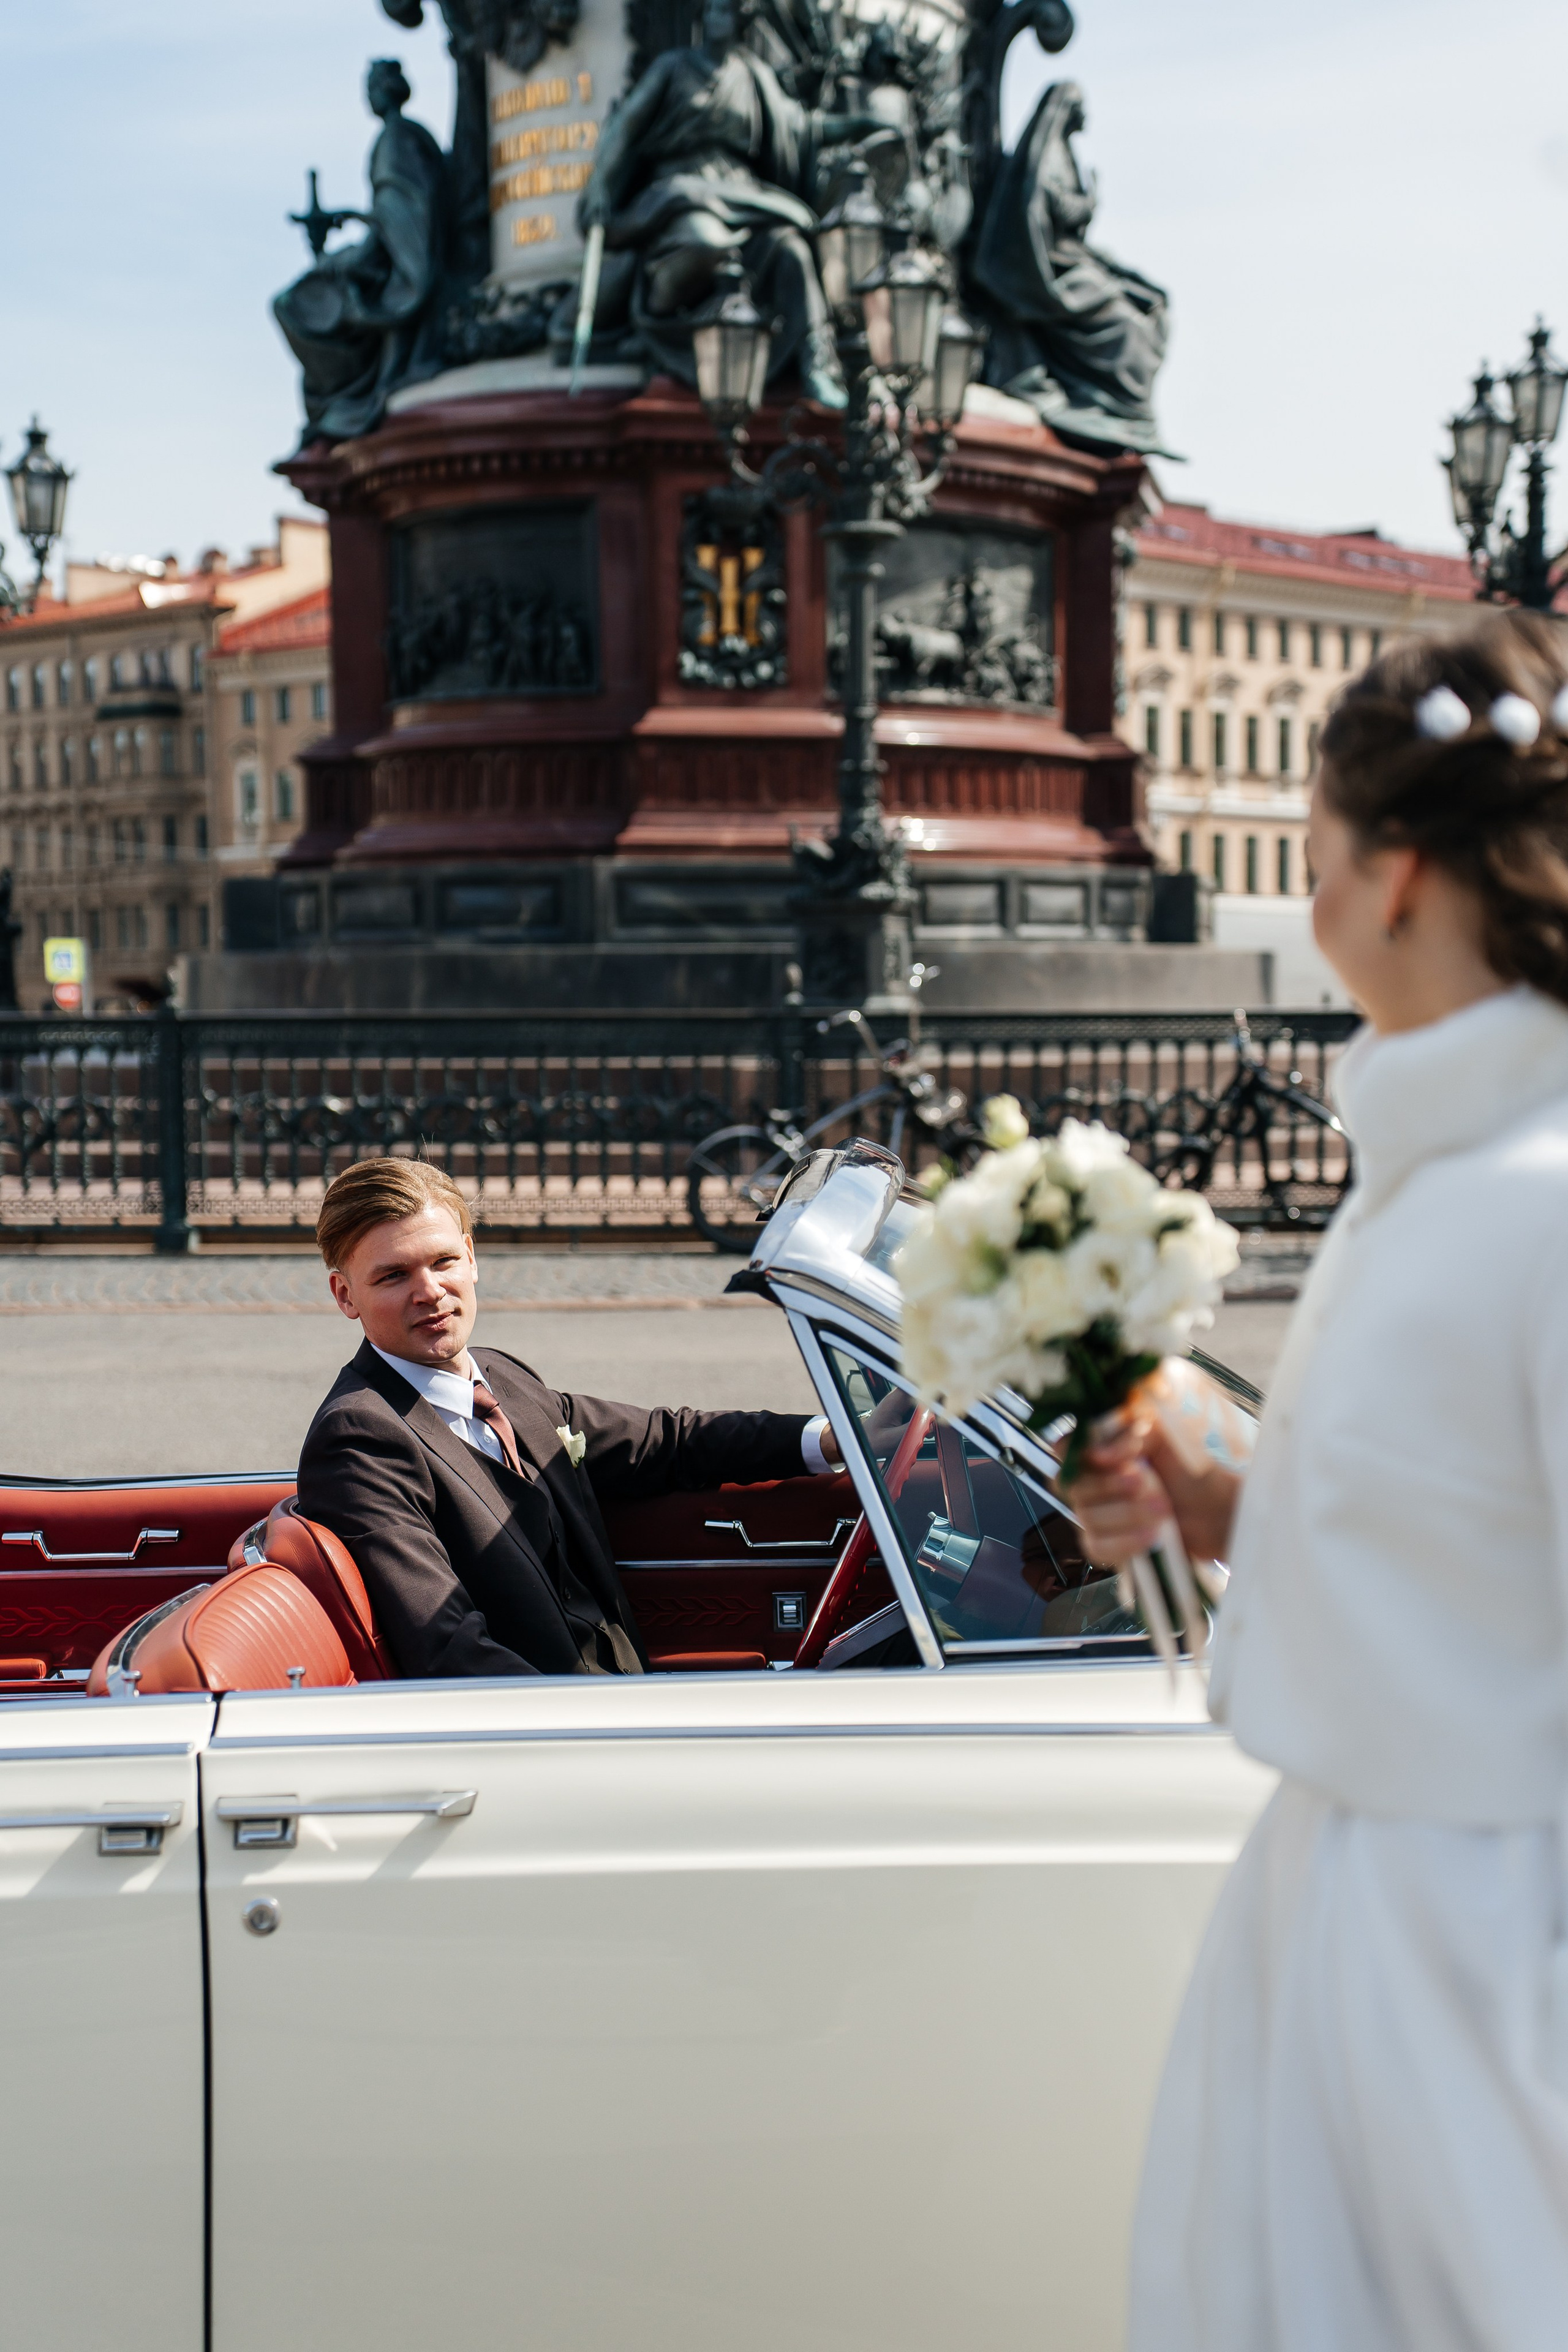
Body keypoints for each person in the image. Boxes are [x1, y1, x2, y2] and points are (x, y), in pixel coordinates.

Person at [1067, 610, 1568, 2350]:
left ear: (1404, 876)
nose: (1311, 892)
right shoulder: (1425, 1167)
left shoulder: (1543, 1188)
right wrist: (1228, 1507)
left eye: (1317, 852)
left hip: (1492, 1985)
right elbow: (1469, 1551)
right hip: (1349, 1937)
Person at [297, 1156, 839, 1679]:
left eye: (443, 1262)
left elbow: (666, 1441)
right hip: (552, 1736)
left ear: (471, 1257)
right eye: (393, 1276)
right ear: (346, 1295)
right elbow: (450, 1649)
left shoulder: (502, 1376)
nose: (431, 1292)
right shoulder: (360, 1437)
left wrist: (836, 1439)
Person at [575, 0, 878, 407]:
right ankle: (657, 316)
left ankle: (816, 365)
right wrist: (600, 188)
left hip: (743, 193)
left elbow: (802, 129)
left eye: (728, 11)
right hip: (682, 191)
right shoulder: (673, 66)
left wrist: (861, 124)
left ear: (741, 20)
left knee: (792, 251)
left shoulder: (753, 76)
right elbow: (626, 127)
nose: (718, 17)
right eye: (714, 8)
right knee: (705, 242)